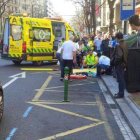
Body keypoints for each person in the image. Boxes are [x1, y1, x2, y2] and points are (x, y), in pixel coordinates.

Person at [111, 32, 128, 98]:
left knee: (120, 79)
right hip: (124, 63)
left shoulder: (118, 45)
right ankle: (120, 92)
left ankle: (121, 93)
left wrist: (114, 62)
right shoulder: (125, 44)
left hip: (119, 64)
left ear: (117, 38)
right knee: (121, 79)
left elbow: (119, 56)